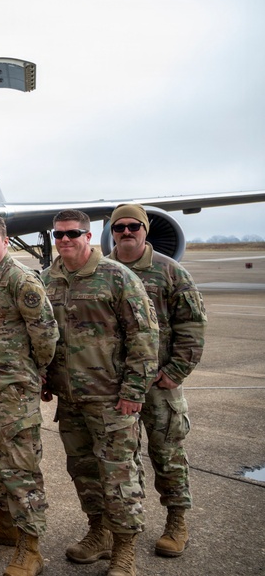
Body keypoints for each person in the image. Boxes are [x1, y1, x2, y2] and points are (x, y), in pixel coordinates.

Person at [42, 209, 158, 576]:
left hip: (112, 400)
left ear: (89, 236)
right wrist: (46, 377)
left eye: (72, 233)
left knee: (120, 475)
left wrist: (134, 390)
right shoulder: (49, 279)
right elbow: (44, 336)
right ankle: (99, 532)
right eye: (58, 235)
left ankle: (125, 550)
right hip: (71, 400)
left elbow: (144, 337)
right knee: (83, 471)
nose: (64, 240)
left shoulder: (116, 277)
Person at [108, 203, 206, 559]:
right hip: (116, 385)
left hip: (159, 385)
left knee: (167, 454)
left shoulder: (170, 272)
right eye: (120, 227)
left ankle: (177, 520)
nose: (127, 232)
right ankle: (121, 525)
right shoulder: (103, 270)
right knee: (121, 460)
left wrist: (176, 372)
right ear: (112, 231)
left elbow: (192, 326)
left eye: (134, 226)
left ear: (145, 230)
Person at [0, 214, 58, 576]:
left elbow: (46, 335)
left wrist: (31, 374)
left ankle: (30, 547)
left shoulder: (20, 280)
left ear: (4, 241)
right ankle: (2, 524)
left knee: (20, 469)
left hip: (13, 395)